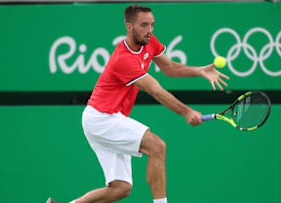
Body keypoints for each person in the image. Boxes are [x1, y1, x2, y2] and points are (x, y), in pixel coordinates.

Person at [47, 4, 229, 203]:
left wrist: (199, 70)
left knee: (120, 189)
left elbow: (169, 67)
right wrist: (186, 112)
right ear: (129, 26)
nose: (149, 30)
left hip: (105, 118)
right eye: (144, 25)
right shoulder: (123, 59)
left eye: (152, 25)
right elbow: (155, 90)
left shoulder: (148, 41)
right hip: (102, 118)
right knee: (157, 146)